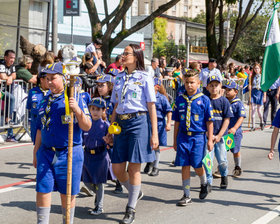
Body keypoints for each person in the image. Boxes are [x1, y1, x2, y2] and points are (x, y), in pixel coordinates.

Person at [33, 62, 92, 224]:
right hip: (46, 152)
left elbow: (87, 126)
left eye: (53, 78)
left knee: (67, 193)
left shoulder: (74, 97)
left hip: (69, 152)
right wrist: (36, 151)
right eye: (47, 78)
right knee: (42, 188)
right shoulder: (44, 100)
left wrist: (77, 111)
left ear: (64, 78)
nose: (50, 82)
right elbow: (39, 128)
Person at [106, 44, 158, 224]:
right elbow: (114, 105)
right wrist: (110, 128)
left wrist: (155, 134)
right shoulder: (118, 77)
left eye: (126, 53)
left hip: (138, 122)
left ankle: (130, 209)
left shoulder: (145, 77)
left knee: (134, 167)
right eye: (123, 53)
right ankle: (135, 192)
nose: (123, 56)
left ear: (136, 56)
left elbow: (151, 105)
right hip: (120, 123)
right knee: (117, 168)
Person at [172, 69, 214, 206]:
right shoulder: (180, 99)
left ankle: (204, 182)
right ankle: (187, 194)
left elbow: (209, 121)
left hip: (198, 137)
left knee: (196, 165)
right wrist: (174, 140)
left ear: (199, 83)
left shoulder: (204, 99)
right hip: (183, 137)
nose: (189, 85)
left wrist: (210, 139)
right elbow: (177, 121)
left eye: (192, 82)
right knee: (184, 165)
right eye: (187, 82)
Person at [82, 97, 115, 215]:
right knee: (86, 181)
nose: (95, 112)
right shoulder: (86, 123)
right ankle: (97, 194)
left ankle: (99, 207)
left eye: (98, 109)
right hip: (87, 156)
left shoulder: (106, 125)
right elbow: (81, 139)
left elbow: (112, 143)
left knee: (100, 182)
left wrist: (109, 141)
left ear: (103, 111)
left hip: (101, 156)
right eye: (93, 109)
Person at [205, 75, 233, 190]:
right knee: (207, 160)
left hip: (221, 137)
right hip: (208, 137)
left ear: (220, 86)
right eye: (211, 86)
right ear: (207, 87)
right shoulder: (205, 100)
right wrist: (209, 135)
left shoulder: (224, 101)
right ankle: (208, 182)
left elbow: (227, 119)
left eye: (216, 85)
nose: (214, 88)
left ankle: (224, 176)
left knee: (222, 160)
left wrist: (220, 135)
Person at [144, 78, 172, 176]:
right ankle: (149, 162)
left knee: (156, 146)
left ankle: (156, 167)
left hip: (159, 124)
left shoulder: (162, 98)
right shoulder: (146, 97)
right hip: (147, 123)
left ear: (157, 87)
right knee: (147, 145)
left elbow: (169, 111)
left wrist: (168, 123)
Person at [224, 80, 246, 178]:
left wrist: (234, 128)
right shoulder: (224, 102)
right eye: (226, 90)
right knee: (223, 150)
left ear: (236, 91)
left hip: (235, 132)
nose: (227, 92)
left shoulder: (238, 104)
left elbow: (241, 117)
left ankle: (238, 167)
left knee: (235, 150)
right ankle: (222, 168)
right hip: (225, 131)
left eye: (230, 90)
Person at [26, 71, 49, 144]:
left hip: (48, 124)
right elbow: (29, 107)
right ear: (41, 80)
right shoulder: (32, 92)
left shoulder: (53, 92)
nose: (50, 81)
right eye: (47, 79)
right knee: (37, 147)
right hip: (36, 124)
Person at [0, 49, 16, 142]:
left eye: (13, 58)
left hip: (5, 91)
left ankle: (10, 135)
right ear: (5, 57)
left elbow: (14, 75)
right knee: (11, 98)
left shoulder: (12, 66)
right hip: (1, 91)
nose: (12, 60)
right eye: (10, 58)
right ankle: (8, 120)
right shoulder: (2, 64)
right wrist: (7, 77)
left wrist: (10, 77)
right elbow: (2, 76)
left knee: (9, 111)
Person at [249, 63, 264, 131]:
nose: (256, 70)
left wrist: (264, 96)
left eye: (257, 68)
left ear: (260, 69)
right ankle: (253, 126)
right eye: (255, 68)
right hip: (253, 92)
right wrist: (249, 87)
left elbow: (264, 86)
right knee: (253, 110)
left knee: (259, 111)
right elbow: (249, 84)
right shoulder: (252, 76)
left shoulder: (262, 76)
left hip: (260, 92)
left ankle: (262, 122)